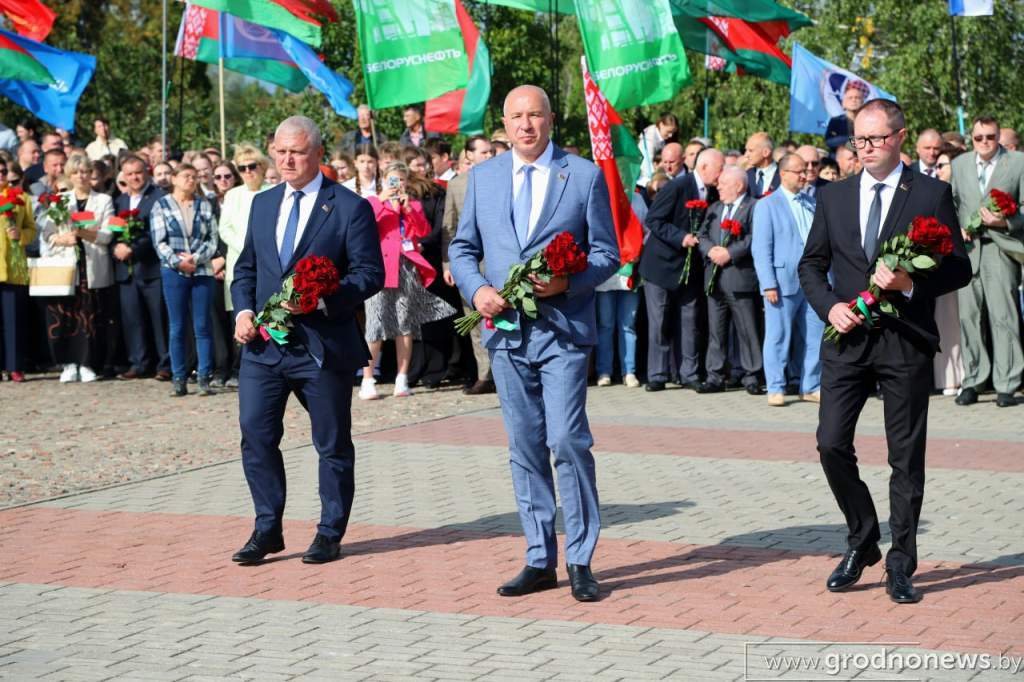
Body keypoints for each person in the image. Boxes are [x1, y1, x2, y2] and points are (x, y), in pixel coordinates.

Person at [449, 85, 619, 602]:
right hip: (504, 335)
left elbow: (608, 254)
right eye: (516, 117)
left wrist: (569, 283)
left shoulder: (583, 175)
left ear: (550, 119)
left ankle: (581, 558)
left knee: (566, 441)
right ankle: (539, 557)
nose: (526, 125)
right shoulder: (482, 177)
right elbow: (462, 247)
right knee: (523, 445)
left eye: (535, 116)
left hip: (562, 332)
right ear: (504, 123)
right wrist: (477, 290)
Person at [798, 99, 971, 603]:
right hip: (847, 339)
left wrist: (910, 280)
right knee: (831, 443)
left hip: (905, 342)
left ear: (899, 137)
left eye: (874, 138)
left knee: (905, 457)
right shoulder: (834, 196)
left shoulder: (932, 194)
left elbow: (959, 268)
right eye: (859, 139)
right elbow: (811, 265)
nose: (865, 148)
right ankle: (864, 538)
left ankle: (901, 564)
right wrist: (829, 307)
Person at [231, 115, 384, 565]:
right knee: (255, 434)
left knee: (332, 442)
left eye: (296, 151)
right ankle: (267, 528)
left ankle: (329, 531)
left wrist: (321, 301)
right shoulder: (262, 204)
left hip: (321, 346)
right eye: (279, 151)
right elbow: (246, 269)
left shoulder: (348, 207)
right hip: (264, 347)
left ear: (317, 153)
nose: (286, 159)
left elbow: (369, 273)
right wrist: (243, 311)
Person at [359, 162, 455, 399]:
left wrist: (409, 211)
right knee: (375, 323)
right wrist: (383, 199)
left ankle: (402, 378)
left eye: (401, 180)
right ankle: (367, 378)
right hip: (381, 270)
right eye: (392, 180)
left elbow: (423, 232)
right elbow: (366, 225)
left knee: (405, 324)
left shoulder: (412, 205)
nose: (397, 185)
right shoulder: (372, 202)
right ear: (383, 180)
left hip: (407, 269)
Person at [951, 116, 1024, 408]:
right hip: (968, 250)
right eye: (979, 137)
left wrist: (1005, 221)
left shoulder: (1017, 162)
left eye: (990, 137)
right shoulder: (959, 165)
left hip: (1000, 248)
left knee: (1003, 316)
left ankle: (1007, 383)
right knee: (968, 317)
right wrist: (956, 227)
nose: (985, 143)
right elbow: (952, 203)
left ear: (999, 137)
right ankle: (974, 380)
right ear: (971, 139)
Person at [639, 148, 724, 391]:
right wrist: (681, 237)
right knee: (660, 321)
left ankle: (689, 372)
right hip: (661, 266)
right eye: (719, 170)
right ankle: (657, 373)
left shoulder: (713, 191)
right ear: (705, 167)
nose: (721, 175)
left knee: (690, 320)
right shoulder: (678, 186)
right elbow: (654, 220)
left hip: (691, 269)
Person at [752, 153, 824, 406]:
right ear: (783, 174)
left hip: (813, 281)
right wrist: (768, 283)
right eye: (799, 171)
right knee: (778, 336)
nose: (804, 175)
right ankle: (775, 386)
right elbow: (761, 249)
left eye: (805, 170)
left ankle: (811, 385)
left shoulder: (811, 202)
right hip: (782, 282)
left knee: (815, 336)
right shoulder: (767, 205)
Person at [41, 152, 115, 383]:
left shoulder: (103, 201)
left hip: (92, 267)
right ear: (69, 176)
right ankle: (68, 363)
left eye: (85, 171)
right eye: (76, 172)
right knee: (64, 316)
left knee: (90, 317)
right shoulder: (61, 201)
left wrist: (84, 233)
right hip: (66, 267)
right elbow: (47, 234)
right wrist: (62, 239)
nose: (81, 176)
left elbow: (108, 234)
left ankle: (87, 363)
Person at [151, 164, 219, 397]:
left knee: (202, 326)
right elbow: (159, 241)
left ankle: (204, 377)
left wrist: (196, 258)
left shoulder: (204, 205)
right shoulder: (162, 205)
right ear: (175, 179)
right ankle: (178, 377)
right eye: (186, 176)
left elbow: (212, 239)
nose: (191, 180)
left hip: (201, 272)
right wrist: (177, 261)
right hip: (174, 272)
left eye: (194, 177)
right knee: (177, 326)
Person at [695, 166, 763, 395]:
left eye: (724, 183)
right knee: (716, 330)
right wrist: (710, 250)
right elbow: (702, 234)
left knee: (747, 330)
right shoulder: (715, 208)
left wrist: (730, 253)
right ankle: (715, 375)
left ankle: (751, 375)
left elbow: (755, 237)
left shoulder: (754, 207)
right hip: (714, 280)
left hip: (740, 278)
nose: (719, 187)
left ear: (739, 185)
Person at [441, 135, 495, 394]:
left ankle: (504, 371)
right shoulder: (457, 185)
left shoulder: (504, 179)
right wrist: (447, 264)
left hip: (500, 262)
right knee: (473, 320)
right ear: (469, 155)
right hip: (470, 264)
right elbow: (448, 228)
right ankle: (485, 375)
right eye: (484, 152)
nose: (489, 156)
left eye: (491, 151)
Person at [113, 155, 170, 380]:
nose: (134, 177)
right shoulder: (119, 201)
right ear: (123, 176)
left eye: (138, 172)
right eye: (129, 174)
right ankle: (138, 363)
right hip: (126, 271)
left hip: (151, 269)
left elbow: (157, 233)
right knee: (132, 319)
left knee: (159, 319)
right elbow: (111, 231)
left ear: (146, 171)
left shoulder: (158, 197)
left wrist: (133, 248)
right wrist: (116, 247)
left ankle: (165, 363)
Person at [932, 145, 965, 396]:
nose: (938, 170)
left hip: (962, 266)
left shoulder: (964, 195)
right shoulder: (934, 194)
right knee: (945, 323)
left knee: (965, 323)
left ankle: (969, 374)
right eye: (936, 165)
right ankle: (948, 377)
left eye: (943, 165)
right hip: (940, 265)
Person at [0, 155, 36, 382]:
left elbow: (32, 229)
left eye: (3, 171)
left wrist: (20, 235)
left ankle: (14, 365)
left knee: (13, 320)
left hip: (13, 266)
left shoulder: (22, 198)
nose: (1, 175)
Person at [825, 79, 868, 154]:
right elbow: (829, 141)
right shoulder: (836, 121)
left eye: (857, 98)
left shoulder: (868, 121)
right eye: (850, 98)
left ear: (863, 102)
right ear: (843, 103)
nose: (854, 100)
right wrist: (851, 141)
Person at [637, 113, 678, 188]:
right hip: (645, 178)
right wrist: (657, 178)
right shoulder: (649, 139)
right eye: (668, 131)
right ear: (661, 125)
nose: (671, 135)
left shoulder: (661, 136)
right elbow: (646, 163)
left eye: (673, 132)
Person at [744, 132, 780, 198]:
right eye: (746, 150)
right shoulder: (747, 175)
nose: (746, 155)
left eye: (751, 151)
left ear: (766, 152)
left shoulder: (783, 174)